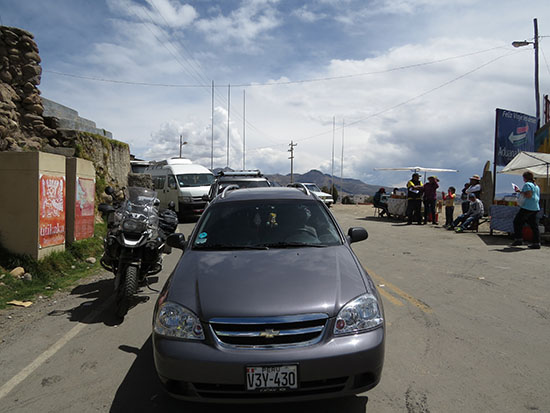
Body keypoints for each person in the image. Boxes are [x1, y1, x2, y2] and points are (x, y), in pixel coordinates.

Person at [510, 171, 541, 249]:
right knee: (534, 225)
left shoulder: (527, 185)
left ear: (525, 178)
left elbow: (528, 195)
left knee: (517, 222)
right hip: (535, 207)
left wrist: (520, 192)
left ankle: (519, 239)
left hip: (528, 206)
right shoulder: (536, 186)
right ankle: (536, 242)